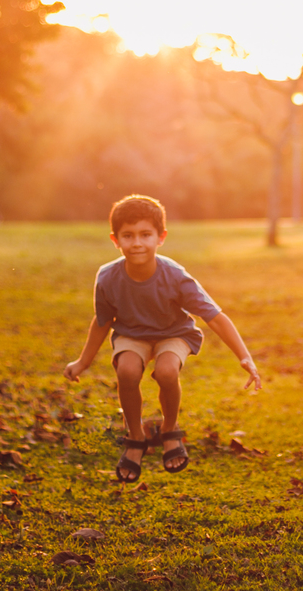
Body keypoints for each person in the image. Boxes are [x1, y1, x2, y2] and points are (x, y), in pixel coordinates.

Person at [64, 195, 262, 482]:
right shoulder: (107, 277)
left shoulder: (175, 276)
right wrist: (83, 362)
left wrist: (245, 357)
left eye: (146, 234)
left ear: (161, 237)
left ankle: (170, 430)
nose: (137, 243)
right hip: (132, 333)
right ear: (115, 239)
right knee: (128, 371)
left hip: (174, 332)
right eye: (128, 236)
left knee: (167, 371)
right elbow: (103, 322)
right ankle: (136, 437)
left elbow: (215, 317)